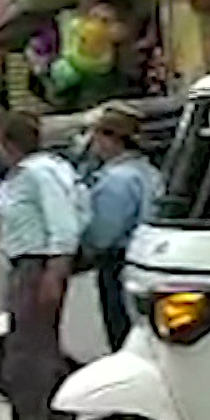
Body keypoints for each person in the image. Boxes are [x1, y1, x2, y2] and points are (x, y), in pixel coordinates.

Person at [0, 109, 86, 420]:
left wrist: (55, 271)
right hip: (25, 264)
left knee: (27, 357)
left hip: (37, 266)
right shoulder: (22, 175)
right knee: (40, 352)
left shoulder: (40, 174)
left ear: (6, 140)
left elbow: (64, 223)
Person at [82, 105, 161, 350]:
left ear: (110, 138)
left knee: (121, 332)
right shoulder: (149, 172)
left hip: (119, 262)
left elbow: (103, 235)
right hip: (149, 257)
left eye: (94, 134)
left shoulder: (117, 179)